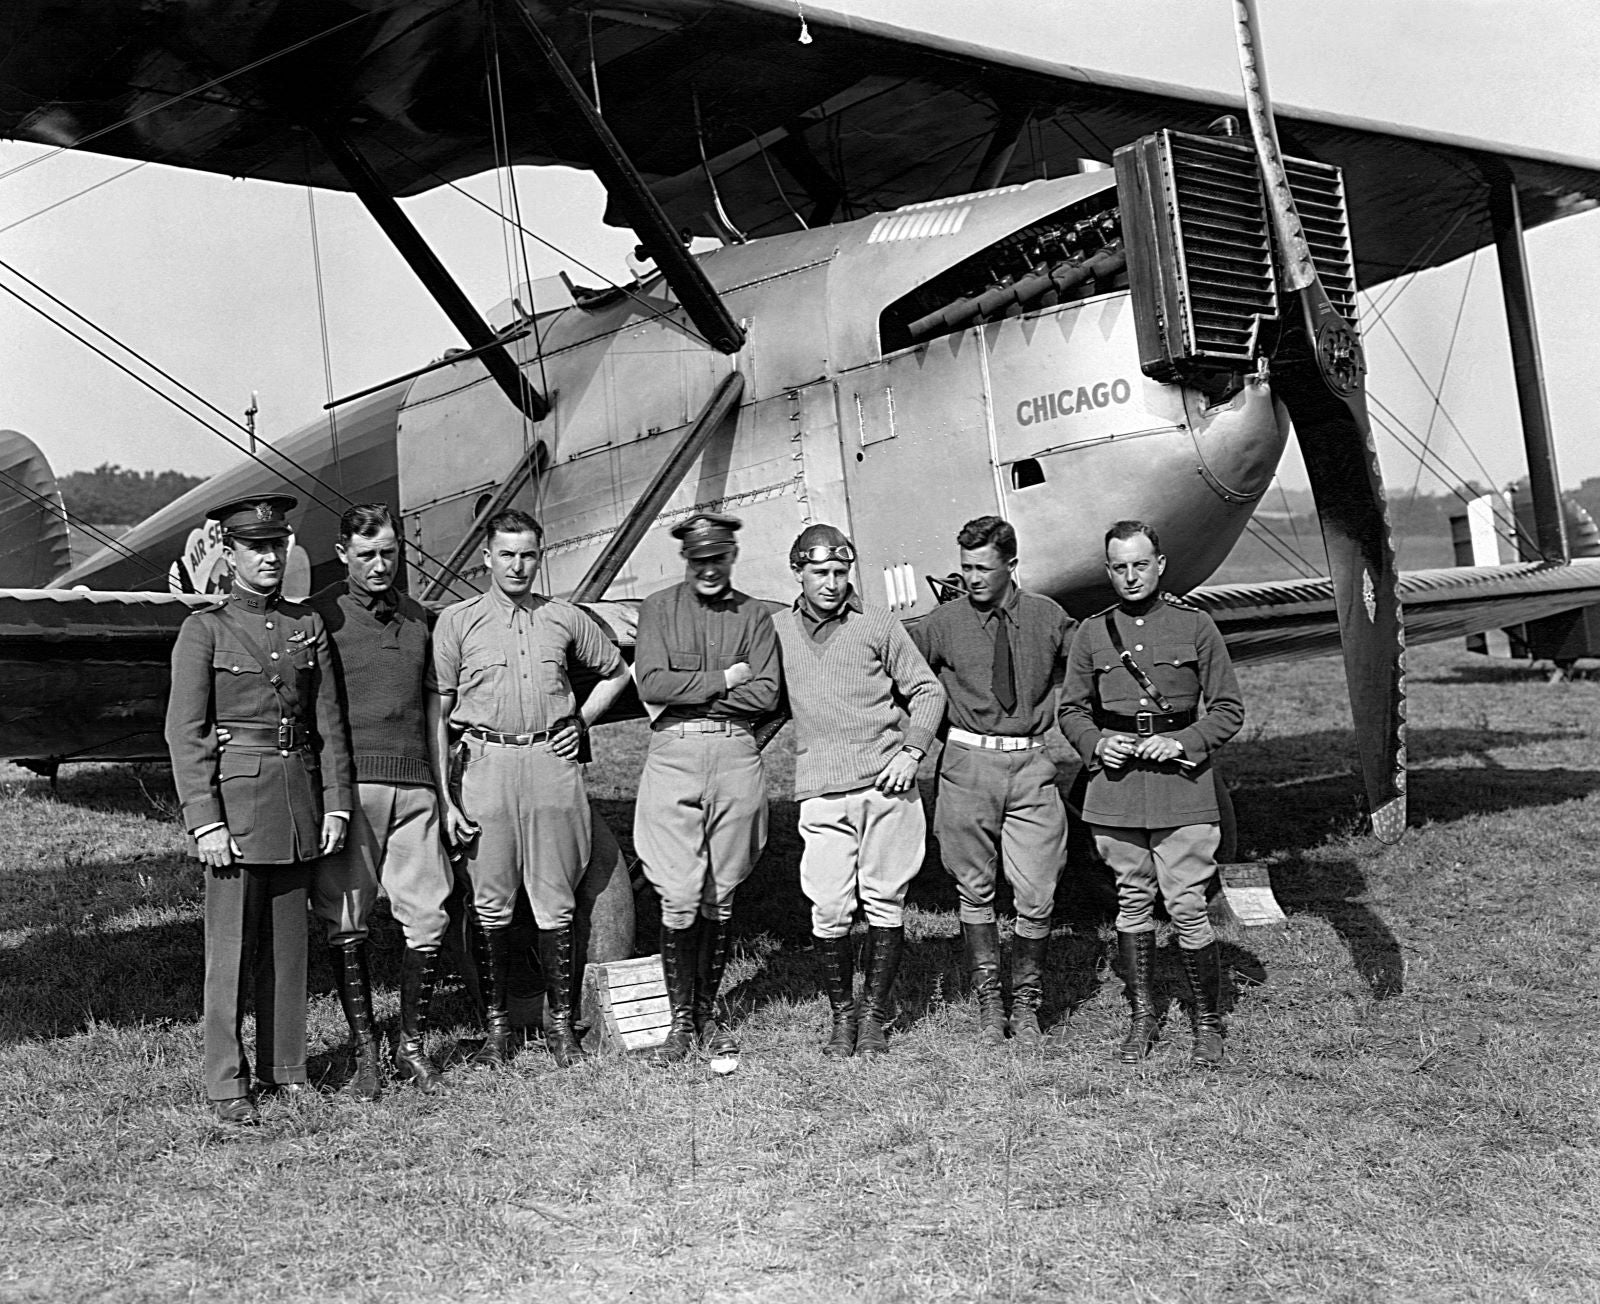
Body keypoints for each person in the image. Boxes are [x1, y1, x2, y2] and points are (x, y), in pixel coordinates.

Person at [164, 494, 351, 1125]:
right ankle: (225, 1080)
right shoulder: (204, 630)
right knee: (230, 951)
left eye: (277, 546)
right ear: (229, 553)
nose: (269, 558)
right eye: (255, 547)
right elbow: (185, 734)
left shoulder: (307, 626)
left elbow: (329, 726)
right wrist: (205, 820)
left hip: (297, 799)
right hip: (237, 806)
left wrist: (336, 804)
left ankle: (287, 1068)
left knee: (288, 946)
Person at [431, 509, 629, 1069]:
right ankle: (496, 1029)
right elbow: (440, 708)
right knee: (490, 902)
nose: (518, 566)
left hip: (551, 762)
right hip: (486, 763)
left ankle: (562, 1026)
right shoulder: (458, 621)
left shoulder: (563, 617)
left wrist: (580, 722)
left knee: (555, 902)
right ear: (487, 558)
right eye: (507, 555)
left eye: (528, 555)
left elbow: (617, 673)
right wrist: (447, 794)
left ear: (538, 558)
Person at [1058, 521, 1244, 1068]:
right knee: (1131, 901)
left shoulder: (1196, 626)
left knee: (1187, 905)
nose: (1131, 576)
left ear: (1161, 565)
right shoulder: (1093, 634)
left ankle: (1207, 1024)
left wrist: (1183, 742)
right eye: (1120, 567)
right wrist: (1097, 744)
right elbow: (1070, 710)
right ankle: (1143, 1018)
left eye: (1141, 564)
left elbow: (1229, 709)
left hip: (1182, 786)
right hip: (1116, 789)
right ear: (1109, 571)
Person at [770, 523, 945, 1057]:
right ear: (797, 572)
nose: (830, 583)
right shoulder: (775, 630)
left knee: (886, 903)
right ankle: (841, 1016)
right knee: (828, 906)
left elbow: (927, 690)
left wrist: (912, 752)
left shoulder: (878, 622)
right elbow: (764, 699)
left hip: (885, 789)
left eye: (840, 572)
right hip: (821, 791)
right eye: (819, 573)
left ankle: (872, 1018)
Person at [307, 504, 454, 1099]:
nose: (379, 565)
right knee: (347, 917)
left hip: (415, 784)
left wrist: (443, 792)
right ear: (343, 553)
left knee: (429, 915)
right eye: (366, 554)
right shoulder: (321, 615)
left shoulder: (420, 619)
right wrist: (331, 795)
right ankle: (366, 1054)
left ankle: (410, 1044)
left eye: (389, 553)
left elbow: (434, 709)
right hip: (351, 788)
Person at [912, 516, 1074, 1049]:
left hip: (1031, 767)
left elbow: (1091, 667)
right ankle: (990, 1005)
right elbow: (900, 672)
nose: (973, 578)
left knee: (1037, 891)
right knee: (974, 888)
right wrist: (937, 735)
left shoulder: (1048, 618)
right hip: (966, 768)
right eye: (965, 568)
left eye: (983, 567)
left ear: (1012, 565)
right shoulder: (944, 622)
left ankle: (1026, 1005)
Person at [632, 512, 781, 1067]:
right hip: (674, 755)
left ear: (732, 557)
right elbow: (651, 683)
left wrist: (691, 694)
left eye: (718, 559)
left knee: (722, 889)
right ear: (686, 561)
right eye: (699, 561)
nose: (709, 569)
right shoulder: (657, 609)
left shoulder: (755, 616)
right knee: (677, 891)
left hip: (736, 755)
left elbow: (766, 695)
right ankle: (679, 1022)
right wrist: (724, 680)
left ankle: (707, 1011)